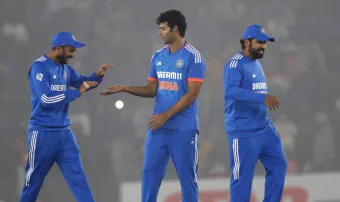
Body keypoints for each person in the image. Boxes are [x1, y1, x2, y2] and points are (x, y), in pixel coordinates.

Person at [101, 9, 206, 202]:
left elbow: (192, 95)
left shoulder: (194, 57)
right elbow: (151, 89)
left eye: (163, 28)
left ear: (175, 29)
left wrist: (165, 115)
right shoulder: (158, 56)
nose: (159, 32)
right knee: (149, 176)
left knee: (187, 180)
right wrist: (124, 88)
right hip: (158, 128)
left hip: (183, 129)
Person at [20, 31, 113, 202]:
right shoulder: (38, 67)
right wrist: (77, 92)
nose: (73, 54)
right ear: (59, 48)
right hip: (41, 134)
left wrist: (97, 77)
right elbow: (46, 99)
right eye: (71, 50)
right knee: (32, 184)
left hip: (64, 135)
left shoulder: (66, 70)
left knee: (80, 182)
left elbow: (83, 82)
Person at [223, 24, 287, 201]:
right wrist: (263, 99)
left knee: (279, 165)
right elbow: (231, 91)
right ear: (246, 42)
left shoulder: (257, 64)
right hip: (242, 132)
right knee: (242, 181)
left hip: (264, 128)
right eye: (260, 42)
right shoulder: (234, 64)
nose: (263, 46)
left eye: (265, 43)